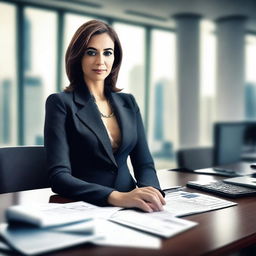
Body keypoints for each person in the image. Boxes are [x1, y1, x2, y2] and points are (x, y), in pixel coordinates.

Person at [44, 20, 165, 213]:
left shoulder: (128, 102)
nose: (101, 61)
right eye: (91, 52)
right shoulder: (60, 103)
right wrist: (117, 197)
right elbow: (59, 177)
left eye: (107, 52)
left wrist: (152, 194)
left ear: (115, 58)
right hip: (88, 205)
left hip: (133, 205)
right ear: (78, 57)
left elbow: (144, 164)